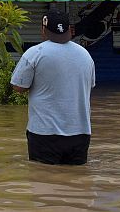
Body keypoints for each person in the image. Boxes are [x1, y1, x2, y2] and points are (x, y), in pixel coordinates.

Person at [11, 9, 96, 165]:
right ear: (70, 30)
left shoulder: (34, 53)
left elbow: (18, 87)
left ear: (44, 30)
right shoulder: (85, 55)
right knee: (78, 182)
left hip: (44, 134)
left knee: (43, 181)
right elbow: (89, 85)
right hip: (80, 134)